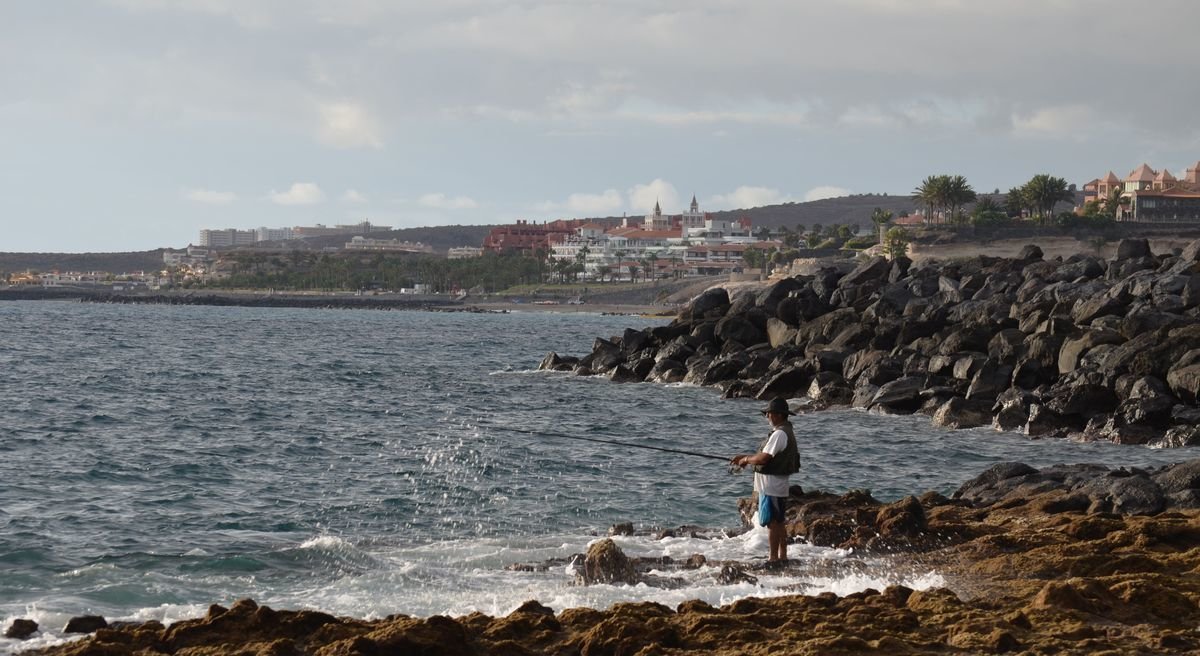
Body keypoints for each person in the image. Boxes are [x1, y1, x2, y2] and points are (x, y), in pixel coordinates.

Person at [730, 397, 800, 565]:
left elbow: (764, 458)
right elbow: (764, 458)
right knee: (779, 522)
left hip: (771, 487)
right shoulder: (785, 432)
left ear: (778, 415)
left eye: (768, 413)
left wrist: (746, 459)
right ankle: (782, 556)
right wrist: (745, 459)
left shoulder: (779, 434)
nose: (767, 417)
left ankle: (773, 558)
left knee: (772, 523)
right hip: (777, 485)